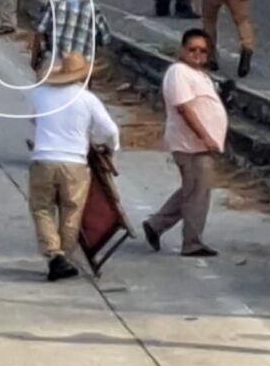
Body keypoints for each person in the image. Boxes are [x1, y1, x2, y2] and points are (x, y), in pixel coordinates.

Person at [28, 50, 121, 282]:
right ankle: (65, 256)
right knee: (71, 210)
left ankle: (53, 254)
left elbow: (33, 119)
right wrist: (110, 148)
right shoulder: (87, 99)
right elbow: (110, 131)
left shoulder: (41, 93)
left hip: (43, 158)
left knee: (42, 209)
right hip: (75, 162)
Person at [143, 30, 226, 258]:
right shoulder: (179, 72)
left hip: (197, 144)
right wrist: (205, 136)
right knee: (197, 192)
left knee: (195, 190)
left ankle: (156, 224)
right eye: (193, 49)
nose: (198, 54)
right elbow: (184, 108)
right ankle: (191, 242)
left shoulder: (198, 74)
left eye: (203, 51)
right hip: (191, 144)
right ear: (182, 50)